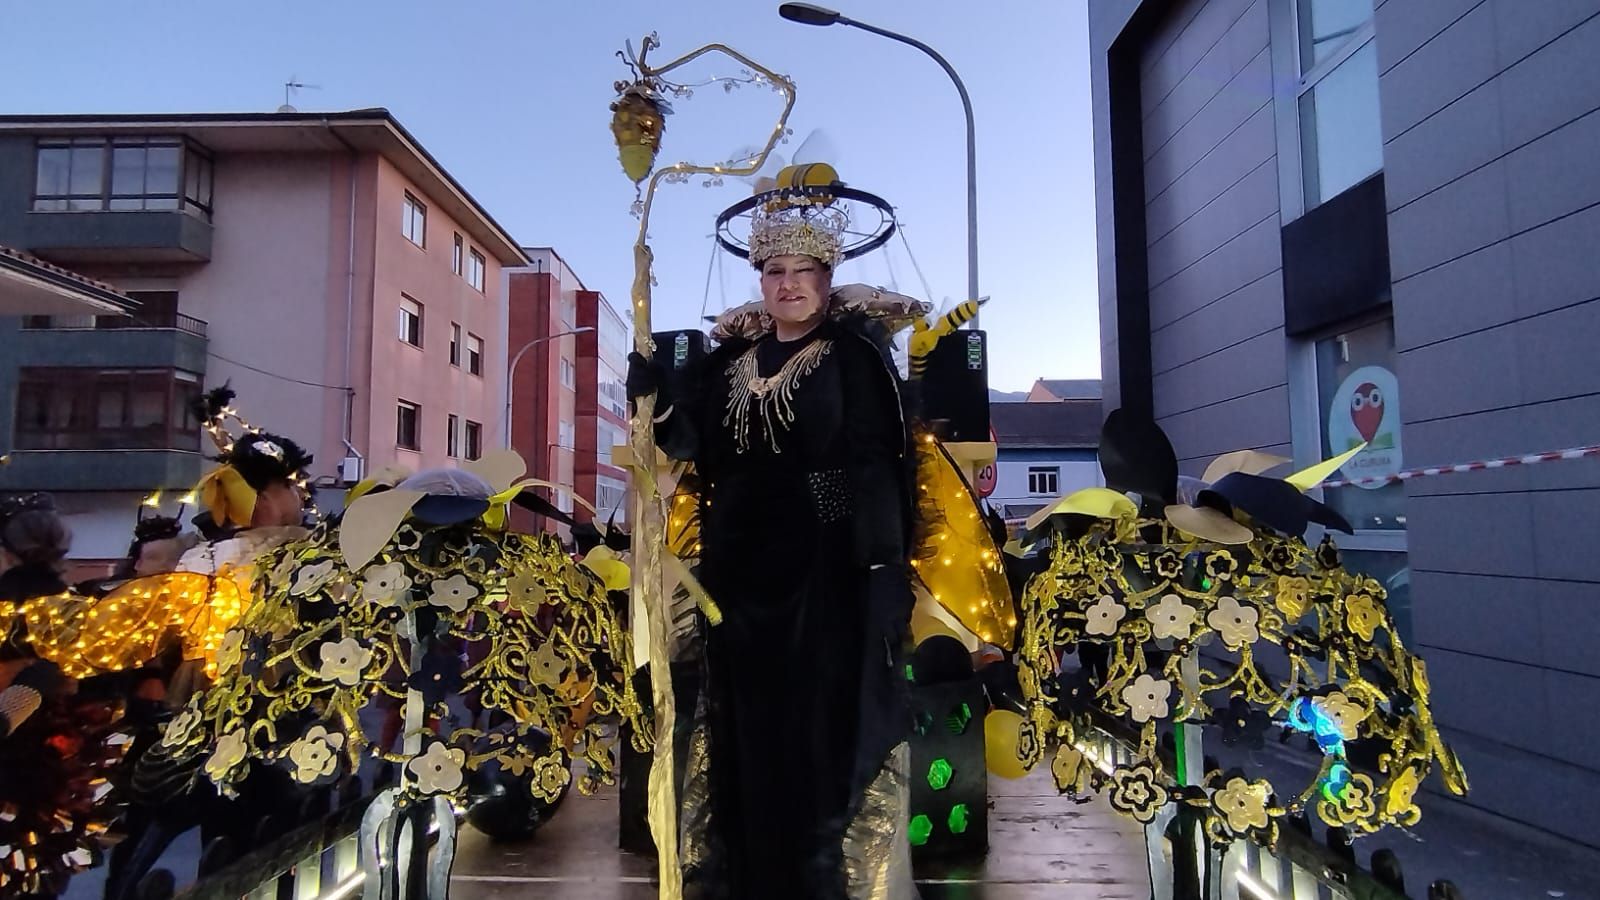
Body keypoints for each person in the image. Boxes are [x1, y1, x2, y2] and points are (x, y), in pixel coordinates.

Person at [630, 178, 919, 899]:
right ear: (759, 279)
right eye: (774, 272)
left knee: (814, 736)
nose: (787, 285)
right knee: (742, 735)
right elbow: (695, 443)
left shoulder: (853, 358)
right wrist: (659, 399)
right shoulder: (726, 365)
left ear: (826, 279)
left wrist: (882, 573)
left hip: (821, 573)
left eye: (802, 272)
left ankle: (814, 880)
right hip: (734, 576)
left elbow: (878, 468)